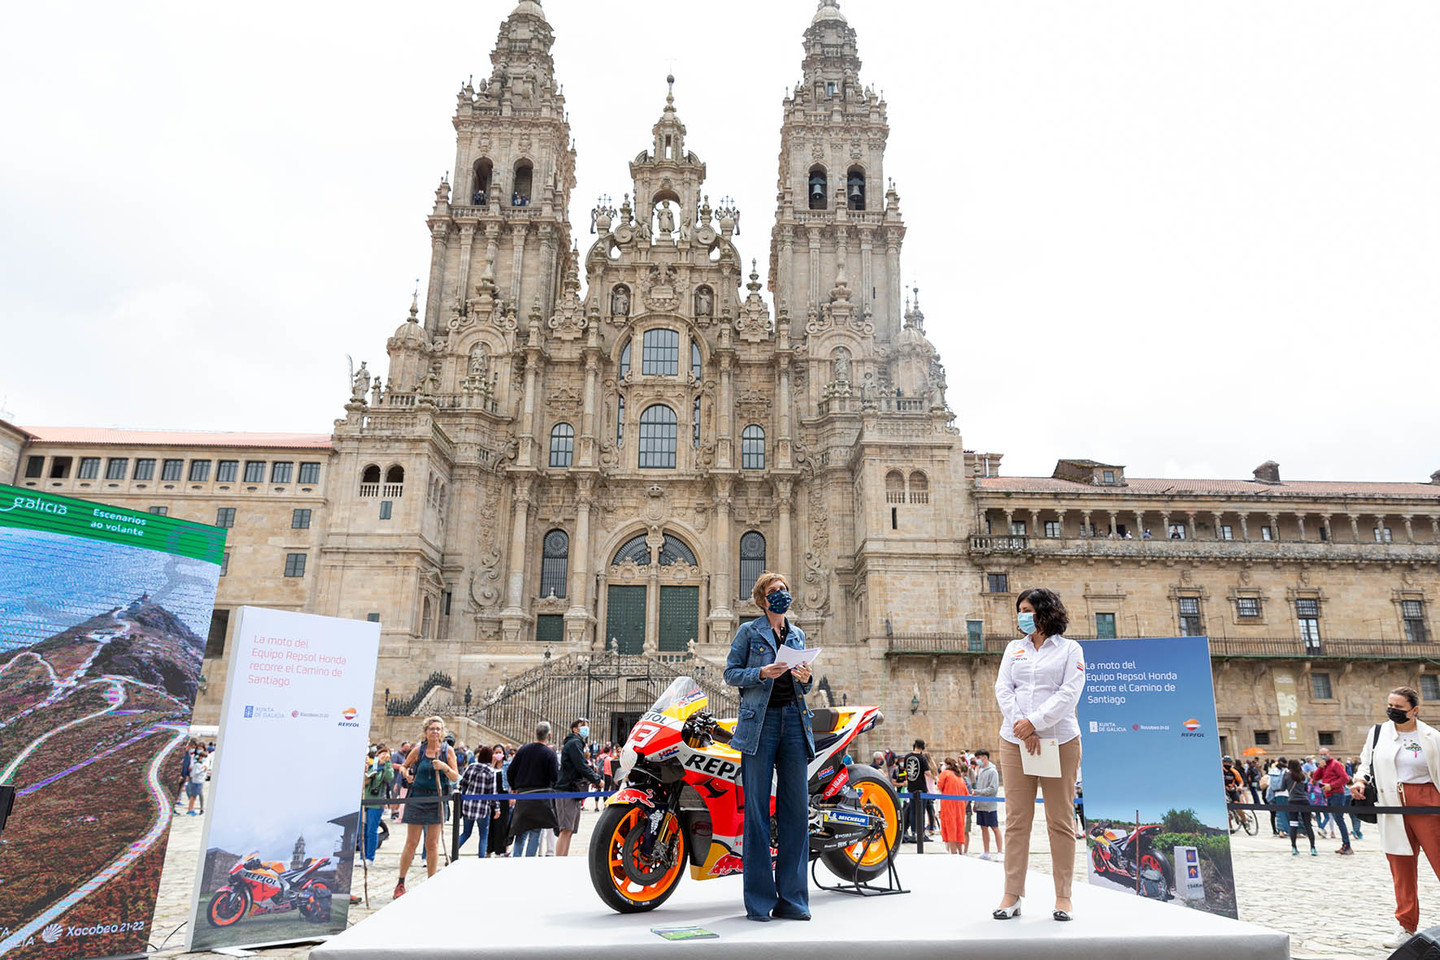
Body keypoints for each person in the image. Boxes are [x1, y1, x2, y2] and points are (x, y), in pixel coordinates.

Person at [723, 570, 815, 922]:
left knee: (795, 813)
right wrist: (761, 673)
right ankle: (760, 903)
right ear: (762, 600)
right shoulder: (749, 632)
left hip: (793, 722)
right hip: (760, 726)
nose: (782, 595)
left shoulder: (797, 634)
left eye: (785, 589)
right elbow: (730, 674)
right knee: (758, 815)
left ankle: (793, 900)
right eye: (775, 591)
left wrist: (805, 679)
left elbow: (802, 686)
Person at [992, 586, 1085, 922]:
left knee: (1060, 821)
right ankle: (1011, 893)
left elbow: (1069, 693)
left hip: (1057, 741)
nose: (1022, 616)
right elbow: (1003, 688)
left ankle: (1063, 896)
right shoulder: (1013, 650)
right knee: (1017, 821)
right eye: (1020, 610)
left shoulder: (1070, 650)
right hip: (1015, 742)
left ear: (1046, 612)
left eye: (1028, 609)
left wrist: (1034, 722)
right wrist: (1020, 724)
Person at [1351, 686, 1440, 950]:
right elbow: (1366, 762)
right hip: (1391, 802)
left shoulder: (1432, 736)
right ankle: (1405, 926)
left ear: (1414, 710)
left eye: (1399, 707)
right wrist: (1359, 780)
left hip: (1428, 802)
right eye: (1390, 705)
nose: (1393, 710)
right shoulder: (1379, 733)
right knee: (1400, 868)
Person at [395, 717, 458, 898]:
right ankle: (400, 883)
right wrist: (406, 774)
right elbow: (403, 767)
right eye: (432, 729)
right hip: (417, 798)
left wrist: (444, 767)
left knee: (432, 844)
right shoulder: (419, 750)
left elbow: (455, 777)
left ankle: (431, 882)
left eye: (438, 729)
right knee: (411, 843)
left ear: (442, 732)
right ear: (426, 731)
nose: (435, 732)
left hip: (437, 800)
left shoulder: (448, 751)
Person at [507, 722, 560, 857]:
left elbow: (510, 771)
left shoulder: (523, 750)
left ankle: (517, 858)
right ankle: (529, 861)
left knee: (520, 830)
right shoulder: (550, 753)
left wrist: (514, 786)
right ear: (549, 735)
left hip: (523, 794)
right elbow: (554, 776)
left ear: (535, 733)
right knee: (535, 832)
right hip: (541, 796)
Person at [556, 718, 602, 856]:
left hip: (572, 789)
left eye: (587, 726)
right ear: (575, 729)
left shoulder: (576, 743)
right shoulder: (574, 743)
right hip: (566, 789)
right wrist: (597, 780)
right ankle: (558, 860)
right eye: (583, 725)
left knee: (569, 830)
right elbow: (580, 765)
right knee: (565, 829)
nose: (586, 728)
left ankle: (563, 857)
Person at [456, 745, 497, 857]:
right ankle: (481, 859)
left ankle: (453, 853)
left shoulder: (471, 766)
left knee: (466, 833)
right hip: (482, 807)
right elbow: (492, 792)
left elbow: (462, 782)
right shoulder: (491, 771)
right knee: (483, 836)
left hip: (468, 805)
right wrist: (497, 808)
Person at [1312, 748, 1353, 854]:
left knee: (1339, 819)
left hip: (1337, 794)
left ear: (1329, 754)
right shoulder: (1324, 766)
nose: (1322, 756)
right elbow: (1315, 778)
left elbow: (1345, 778)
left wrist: (1332, 785)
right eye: (1320, 755)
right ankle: (1345, 844)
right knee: (1336, 819)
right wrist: (1320, 768)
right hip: (1328, 795)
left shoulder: (1336, 764)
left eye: (1324, 754)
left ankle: (1347, 845)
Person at [362, 747, 395, 862]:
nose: (383, 755)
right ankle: (362, 856)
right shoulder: (371, 766)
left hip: (376, 803)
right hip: (364, 802)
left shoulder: (386, 768)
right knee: (363, 830)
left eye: (386, 753)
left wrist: (388, 763)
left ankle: (369, 857)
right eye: (381, 753)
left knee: (372, 830)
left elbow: (390, 777)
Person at [1281, 758, 1316, 856]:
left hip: (1293, 802)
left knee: (1293, 824)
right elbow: (1306, 789)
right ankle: (1313, 847)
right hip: (1304, 802)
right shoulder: (1304, 775)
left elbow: (1283, 787)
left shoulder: (1287, 775)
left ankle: (1294, 847)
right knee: (1308, 825)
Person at [899, 739, 931, 842]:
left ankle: (913, 832)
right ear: (922, 747)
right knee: (921, 812)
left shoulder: (907, 756)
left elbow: (905, 770)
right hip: (921, 787)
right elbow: (927, 773)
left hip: (911, 786)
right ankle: (920, 833)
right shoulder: (922, 758)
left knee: (913, 811)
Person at [972, 749, 1001, 860]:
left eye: (978, 758)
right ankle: (986, 852)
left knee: (994, 827)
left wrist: (978, 793)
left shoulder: (992, 771)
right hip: (981, 804)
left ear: (984, 757)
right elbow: (979, 787)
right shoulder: (981, 770)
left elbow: (993, 788)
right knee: (983, 827)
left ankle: (999, 852)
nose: (977, 760)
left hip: (990, 804)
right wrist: (976, 803)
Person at [937, 758, 968, 854]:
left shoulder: (945, 774)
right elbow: (967, 795)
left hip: (948, 805)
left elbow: (939, 786)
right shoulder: (959, 777)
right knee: (959, 829)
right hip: (960, 807)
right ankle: (960, 852)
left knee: (950, 829)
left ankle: (953, 854)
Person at [488, 745, 513, 857]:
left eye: (500, 752)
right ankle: (489, 849)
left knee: (502, 824)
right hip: (491, 796)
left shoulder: (507, 766)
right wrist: (492, 765)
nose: (498, 754)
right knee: (491, 823)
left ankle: (500, 850)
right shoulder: (489, 766)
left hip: (503, 796)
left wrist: (512, 796)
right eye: (496, 752)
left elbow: (512, 781)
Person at [185, 745, 208, 816]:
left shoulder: (201, 764)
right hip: (196, 781)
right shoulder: (197, 764)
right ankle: (190, 809)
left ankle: (192, 809)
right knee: (193, 796)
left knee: (195, 796)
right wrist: (202, 770)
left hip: (200, 781)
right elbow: (194, 773)